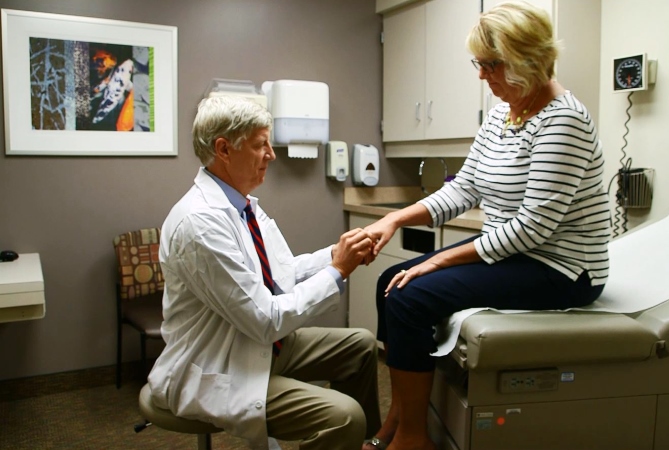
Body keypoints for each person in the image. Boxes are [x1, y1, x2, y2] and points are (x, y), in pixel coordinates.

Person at [361, 2, 611, 449]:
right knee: (389, 281)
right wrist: (393, 219)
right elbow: (465, 189)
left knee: (410, 295)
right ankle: (400, 417)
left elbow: (532, 228)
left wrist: (437, 263)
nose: (483, 76)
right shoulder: (503, 114)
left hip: (562, 268)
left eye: (491, 64)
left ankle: (412, 440)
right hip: (516, 253)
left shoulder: (564, 120)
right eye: (481, 63)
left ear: (529, 60)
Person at [148, 96, 381, 450]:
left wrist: (335, 255)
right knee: (345, 416)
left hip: (258, 345)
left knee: (361, 346)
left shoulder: (241, 206)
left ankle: (359, 445)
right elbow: (265, 319)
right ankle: (346, 437)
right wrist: (338, 270)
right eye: (261, 145)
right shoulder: (200, 223)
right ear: (223, 149)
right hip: (218, 364)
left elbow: (281, 275)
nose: (271, 155)